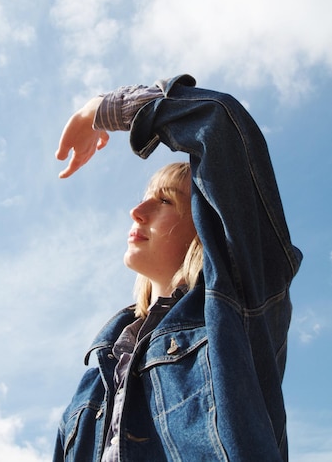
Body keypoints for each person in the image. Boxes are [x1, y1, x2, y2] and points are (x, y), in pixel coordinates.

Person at [53, 74, 302, 462]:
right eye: (144, 199)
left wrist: (100, 111)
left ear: (208, 229)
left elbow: (217, 121)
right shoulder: (91, 386)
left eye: (165, 201)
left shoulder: (233, 308)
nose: (137, 211)